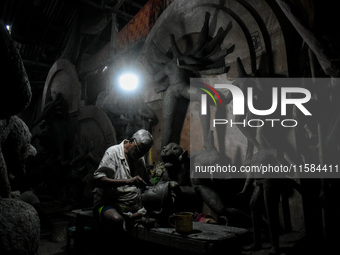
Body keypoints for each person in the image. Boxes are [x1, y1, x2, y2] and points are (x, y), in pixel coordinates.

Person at [92, 129, 153, 232]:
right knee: (117, 220)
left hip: (132, 206)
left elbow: (145, 183)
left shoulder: (139, 159)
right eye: (138, 150)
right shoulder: (113, 152)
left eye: (143, 153)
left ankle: (131, 217)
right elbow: (98, 180)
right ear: (132, 140)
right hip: (108, 203)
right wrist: (128, 181)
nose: (139, 155)